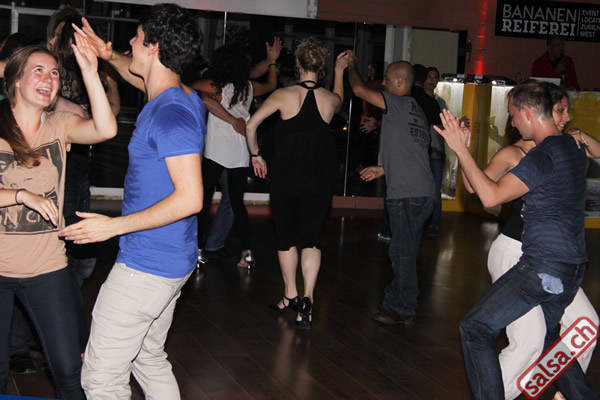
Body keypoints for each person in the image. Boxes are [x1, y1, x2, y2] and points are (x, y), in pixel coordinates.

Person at [59, 5, 206, 398]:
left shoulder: (170, 114)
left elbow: (191, 198)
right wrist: (107, 56)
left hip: (147, 266)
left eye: (137, 39)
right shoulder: (178, 96)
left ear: (154, 48)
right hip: (169, 258)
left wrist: (112, 226)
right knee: (148, 356)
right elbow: (136, 73)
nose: (129, 43)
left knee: (100, 379)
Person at [436, 81, 597, 399]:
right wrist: (465, 152)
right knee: (545, 339)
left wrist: (460, 149)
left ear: (526, 112)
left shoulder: (542, 156)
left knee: (476, 329)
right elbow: (480, 187)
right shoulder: (574, 148)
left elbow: (490, 197)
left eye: (512, 115)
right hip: (569, 267)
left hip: (541, 267)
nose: (511, 122)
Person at [0, 39, 117, 398]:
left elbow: (105, 129)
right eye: (38, 70)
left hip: (47, 267)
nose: (49, 79)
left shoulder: (60, 125)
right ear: (16, 79)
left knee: (68, 368)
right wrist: (22, 195)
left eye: (54, 73)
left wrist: (90, 73)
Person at [245, 38, 347, 328]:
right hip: (320, 179)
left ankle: (290, 293)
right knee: (311, 239)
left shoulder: (283, 94)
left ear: (298, 64)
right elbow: (340, 97)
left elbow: (251, 126)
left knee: (286, 237)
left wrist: (256, 155)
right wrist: (340, 72)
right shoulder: (329, 99)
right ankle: (307, 301)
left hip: (286, 177)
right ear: (321, 66)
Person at [346, 54, 435, 325]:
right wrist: (383, 169)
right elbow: (413, 152)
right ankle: (395, 300)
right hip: (422, 192)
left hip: (406, 194)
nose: (383, 84)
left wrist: (351, 66)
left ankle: (403, 307)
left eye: (386, 79)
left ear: (398, 82)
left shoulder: (396, 102)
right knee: (403, 251)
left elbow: (359, 90)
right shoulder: (415, 111)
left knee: (401, 253)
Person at [193, 38, 281, 268]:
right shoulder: (249, 87)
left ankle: (197, 250)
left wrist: (230, 118)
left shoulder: (217, 85)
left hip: (215, 151)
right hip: (240, 153)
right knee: (237, 205)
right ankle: (246, 254)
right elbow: (271, 84)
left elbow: (197, 91)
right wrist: (272, 63)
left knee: (202, 202)